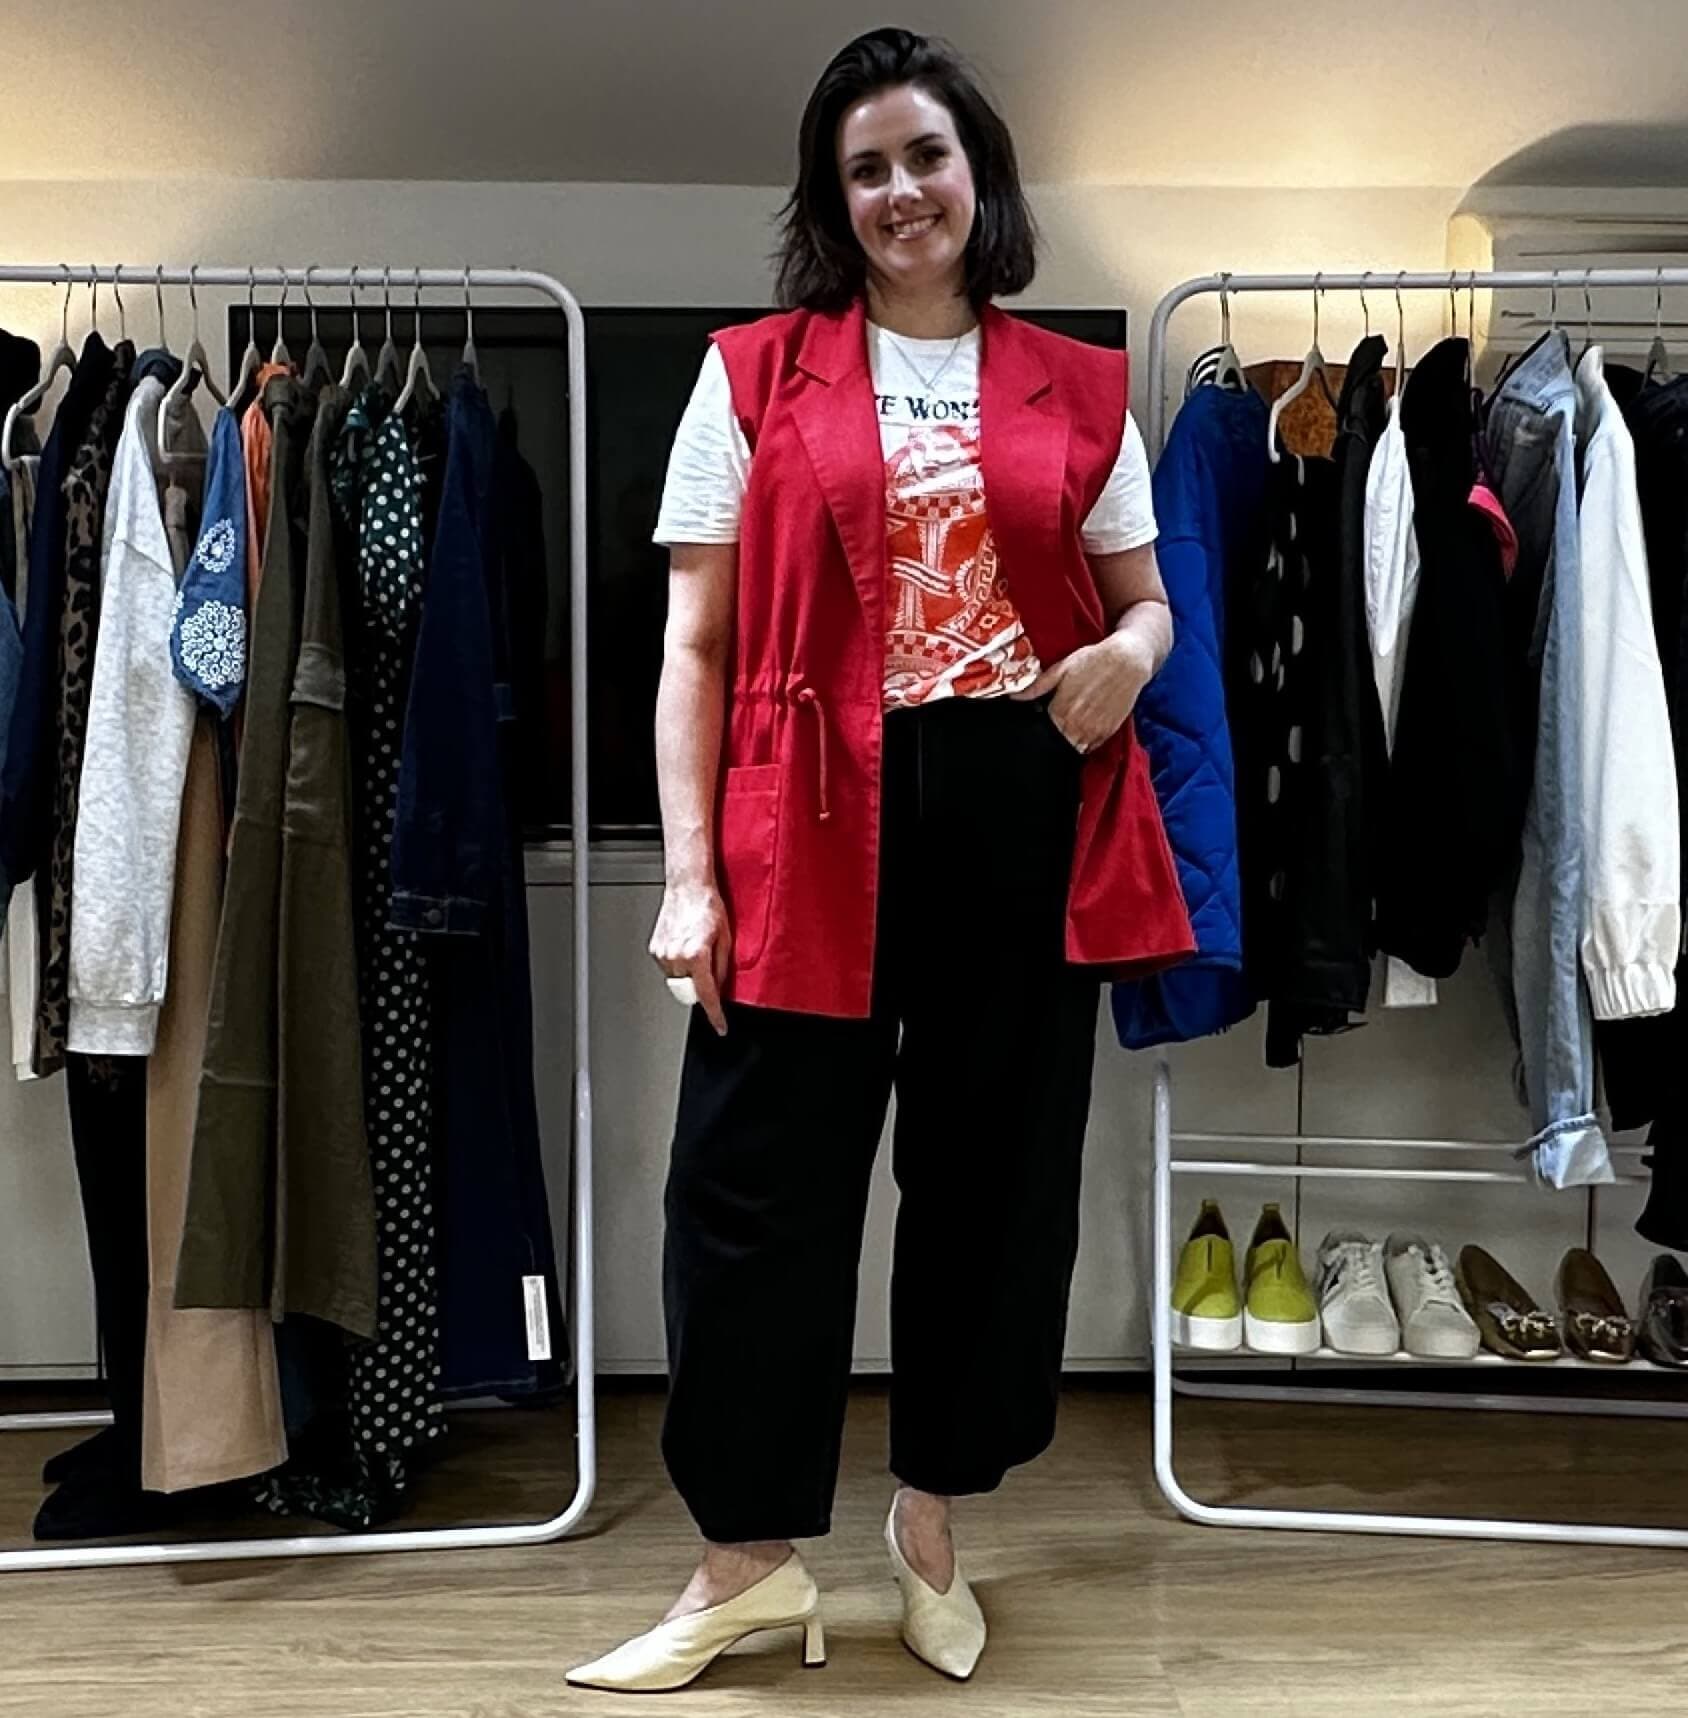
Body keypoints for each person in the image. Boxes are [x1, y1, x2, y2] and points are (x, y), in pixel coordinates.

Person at [566, 26, 1192, 1694]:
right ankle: (746, 1565)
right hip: (810, 807)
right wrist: (690, 873)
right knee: (750, 1192)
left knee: (991, 1189)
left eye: (925, 155)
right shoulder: (754, 374)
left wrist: (1134, 651)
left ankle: (927, 1529)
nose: (900, 189)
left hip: (1019, 796)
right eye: (865, 168)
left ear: (977, 174)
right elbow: (692, 643)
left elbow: (1144, 600)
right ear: (830, 202)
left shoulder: (1083, 387)